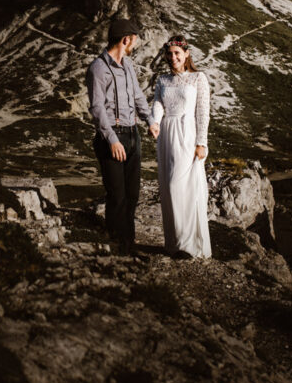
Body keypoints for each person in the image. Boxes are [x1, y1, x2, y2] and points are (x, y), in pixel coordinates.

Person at [86, 18, 160, 256]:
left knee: (132, 195)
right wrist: (112, 140)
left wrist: (150, 121)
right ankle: (117, 248)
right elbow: (97, 108)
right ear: (126, 40)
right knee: (117, 196)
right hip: (112, 137)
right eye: (134, 41)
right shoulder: (97, 68)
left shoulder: (127, 65)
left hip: (132, 134)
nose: (134, 45)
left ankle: (129, 245)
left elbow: (137, 96)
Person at [150, 34, 212, 258]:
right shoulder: (163, 80)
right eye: (169, 54)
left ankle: (188, 245)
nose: (172, 57)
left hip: (187, 134)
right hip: (167, 134)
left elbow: (203, 112)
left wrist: (201, 143)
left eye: (177, 53)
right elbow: (158, 104)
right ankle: (174, 243)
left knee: (180, 185)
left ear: (186, 54)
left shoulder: (198, 78)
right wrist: (154, 122)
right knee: (168, 187)